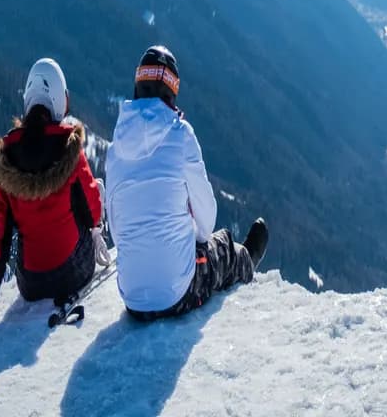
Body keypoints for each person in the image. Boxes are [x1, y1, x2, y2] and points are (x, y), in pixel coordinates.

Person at [105, 45, 267, 321]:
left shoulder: (114, 148)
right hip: (176, 296)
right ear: (172, 91)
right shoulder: (181, 136)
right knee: (223, 245)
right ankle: (246, 261)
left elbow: (117, 230)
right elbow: (206, 224)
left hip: (131, 299)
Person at [0, 58, 106, 319]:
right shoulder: (69, 148)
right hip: (74, 272)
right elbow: (93, 212)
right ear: (62, 101)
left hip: (30, 283)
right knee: (90, 196)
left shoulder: (5, 159)